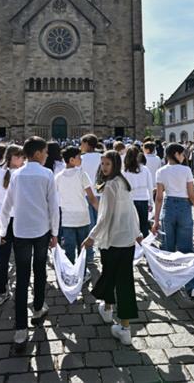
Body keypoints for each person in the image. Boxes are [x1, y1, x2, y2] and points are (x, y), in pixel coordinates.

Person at [0, 137, 60, 351]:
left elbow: (7, 205)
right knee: (40, 269)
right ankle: (38, 308)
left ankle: (20, 330)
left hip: (21, 231)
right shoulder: (47, 174)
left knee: (22, 277)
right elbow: (53, 206)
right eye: (45, 152)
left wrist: (3, 230)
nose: (47, 155)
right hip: (41, 230)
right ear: (37, 153)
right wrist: (55, 232)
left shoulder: (16, 174)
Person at [83, 150, 142, 346]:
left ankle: (111, 312)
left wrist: (91, 236)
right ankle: (122, 324)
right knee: (122, 280)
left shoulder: (110, 186)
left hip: (113, 240)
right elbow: (131, 211)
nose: (104, 167)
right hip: (127, 240)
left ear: (115, 164)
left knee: (110, 275)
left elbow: (104, 217)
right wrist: (136, 232)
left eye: (107, 164)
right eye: (102, 164)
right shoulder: (123, 182)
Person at [151, 143, 194, 307]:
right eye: (183, 154)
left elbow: (159, 198)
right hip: (184, 208)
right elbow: (192, 196)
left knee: (167, 248)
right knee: (186, 250)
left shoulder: (161, 171)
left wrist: (156, 220)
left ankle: (170, 282)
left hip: (168, 207)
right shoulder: (186, 170)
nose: (184, 156)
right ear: (176, 154)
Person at [0, 145, 25, 306]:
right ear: (12, 157)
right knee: (19, 255)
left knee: (4, 255)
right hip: (15, 217)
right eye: (20, 156)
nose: (23, 159)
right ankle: (19, 290)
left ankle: (1, 291)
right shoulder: (19, 174)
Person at [56, 146, 97, 272]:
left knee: (69, 248)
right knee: (83, 248)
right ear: (72, 160)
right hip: (82, 216)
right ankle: (82, 273)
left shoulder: (58, 177)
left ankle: (70, 273)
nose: (81, 159)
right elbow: (91, 197)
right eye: (79, 157)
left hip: (67, 217)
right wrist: (100, 211)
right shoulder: (81, 174)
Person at [122, 146, 154, 238]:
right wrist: (151, 202)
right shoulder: (145, 169)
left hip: (130, 200)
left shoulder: (124, 171)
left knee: (131, 226)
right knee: (144, 225)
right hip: (143, 199)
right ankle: (144, 244)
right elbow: (150, 186)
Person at [80, 134, 102, 263]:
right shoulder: (102, 157)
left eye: (82, 143)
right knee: (103, 223)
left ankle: (89, 254)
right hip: (101, 194)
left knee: (89, 225)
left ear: (87, 144)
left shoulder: (81, 159)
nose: (81, 146)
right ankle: (103, 249)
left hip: (86, 194)